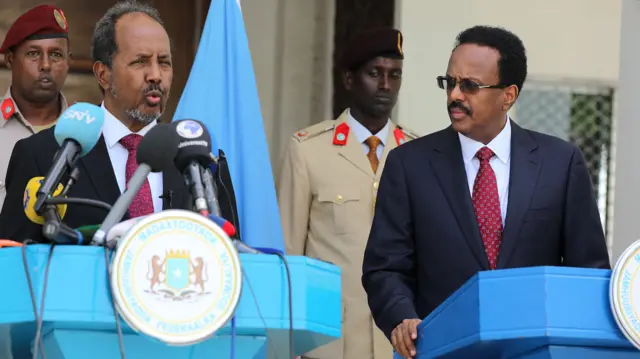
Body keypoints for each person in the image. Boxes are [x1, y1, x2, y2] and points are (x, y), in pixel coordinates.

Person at [361, 25, 611, 358]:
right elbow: (385, 267)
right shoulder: (409, 165)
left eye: (470, 86)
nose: (454, 96)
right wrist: (401, 316)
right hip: (439, 348)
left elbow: (587, 273)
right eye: (449, 83)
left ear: (508, 95)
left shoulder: (560, 163)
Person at [0, 0, 239, 243]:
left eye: (164, 62)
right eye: (140, 62)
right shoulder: (42, 154)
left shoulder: (199, 161)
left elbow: (228, 256)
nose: (155, 75)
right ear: (103, 75)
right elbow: (12, 261)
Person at [277, 28, 418, 359]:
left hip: (397, 340)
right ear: (349, 79)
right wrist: (288, 340)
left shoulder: (415, 153)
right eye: (374, 73)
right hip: (327, 340)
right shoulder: (308, 150)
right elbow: (288, 252)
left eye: (394, 75)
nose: (385, 85)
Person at [0, 5, 71, 210]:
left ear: (68, 62)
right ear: (10, 60)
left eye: (56, 54)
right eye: (33, 53)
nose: (46, 65)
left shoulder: (89, 133)